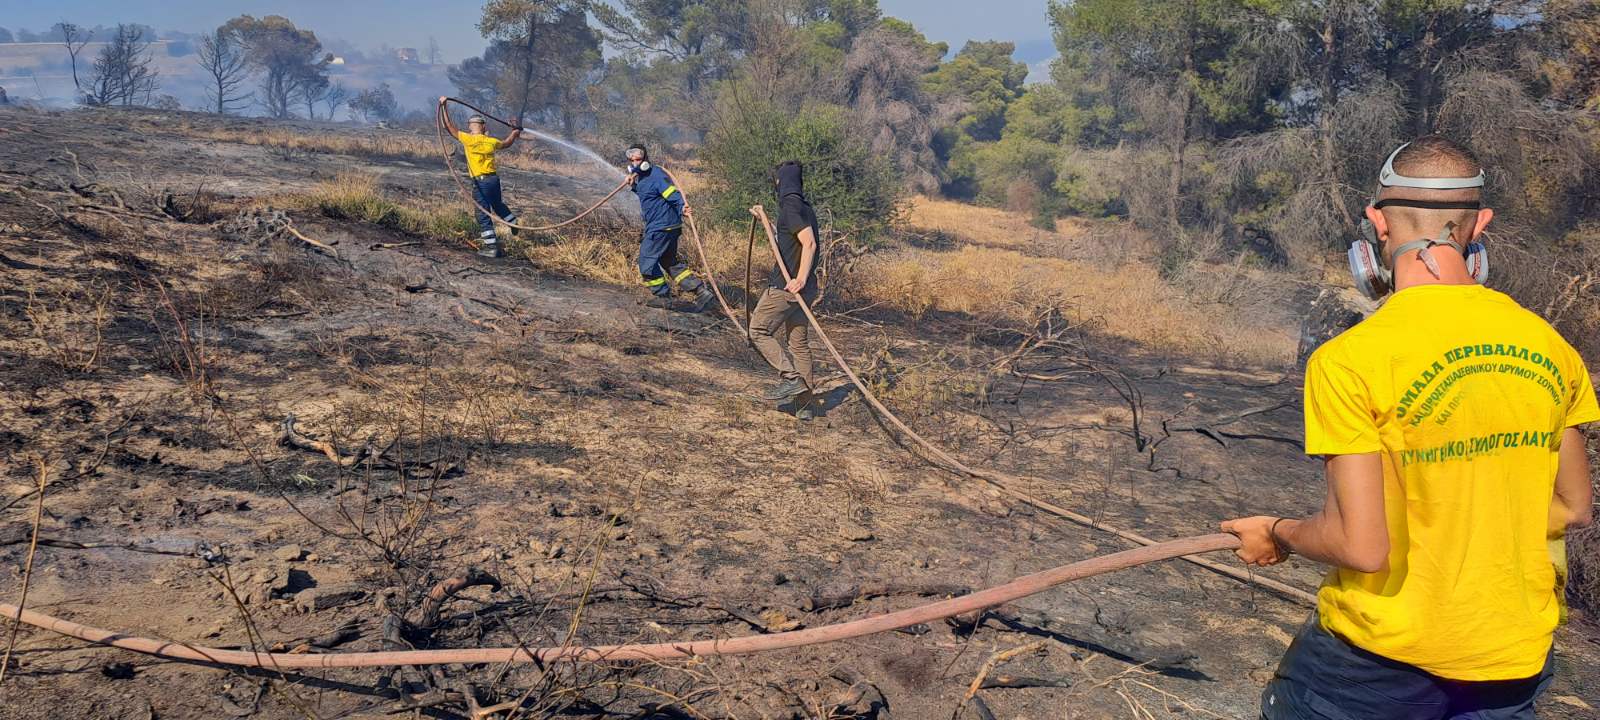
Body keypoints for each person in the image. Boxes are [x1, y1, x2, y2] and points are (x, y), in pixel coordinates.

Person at [1222, 135, 1598, 720]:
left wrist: (1276, 530)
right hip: (1511, 653)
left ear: (1376, 225)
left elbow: (1361, 547)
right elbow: (1574, 508)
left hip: (1377, 663)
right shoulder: (1552, 347)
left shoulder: (1350, 359)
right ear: (1481, 226)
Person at [750, 160, 821, 420]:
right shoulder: (803, 207)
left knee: (757, 330)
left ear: (782, 182)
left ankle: (790, 378)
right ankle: (805, 407)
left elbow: (809, 243)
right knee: (798, 345)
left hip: (786, 288)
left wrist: (799, 278)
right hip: (804, 290)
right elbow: (786, 241)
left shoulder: (790, 207)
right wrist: (765, 220)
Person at [625, 144, 715, 311]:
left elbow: (672, 193)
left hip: (661, 227)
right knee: (668, 261)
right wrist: (633, 185)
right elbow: (649, 196)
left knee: (646, 262)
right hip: (668, 226)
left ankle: (663, 296)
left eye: (638, 159)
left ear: (646, 160)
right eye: (632, 161)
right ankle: (700, 291)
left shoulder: (656, 175)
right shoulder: (643, 178)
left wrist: (682, 207)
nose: (635, 163)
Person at [438, 97, 522, 258]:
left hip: (481, 182)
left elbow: (448, 127)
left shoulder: (468, 139)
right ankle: (512, 221)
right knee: (497, 204)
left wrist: (444, 105)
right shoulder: (491, 141)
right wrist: (514, 132)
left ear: (470, 127)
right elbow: (507, 143)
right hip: (493, 180)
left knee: (482, 214)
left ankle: (491, 247)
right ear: (484, 128)